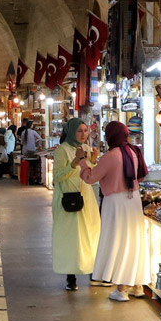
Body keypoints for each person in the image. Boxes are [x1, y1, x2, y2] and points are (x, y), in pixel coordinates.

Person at [86, 119, 155, 301]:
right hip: (133, 200)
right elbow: (140, 175)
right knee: (134, 241)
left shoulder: (111, 155)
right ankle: (137, 285)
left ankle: (122, 289)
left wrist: (82, 162)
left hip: (115, 202)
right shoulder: (133, 151)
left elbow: (91, 177)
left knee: (117, 241)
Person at [51, 116, 99, 290]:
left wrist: (93, 161)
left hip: (86, 197)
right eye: (79, 131)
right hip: (68, 199)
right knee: (71, 237)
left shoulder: (86, 148)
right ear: (70, 131)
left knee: (90, 233)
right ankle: (70, 276)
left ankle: (93, 270)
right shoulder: (62, 150)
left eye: (86, 131)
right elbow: (58, 176)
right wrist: (74, 162)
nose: (83, 134)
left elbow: (90, 174)